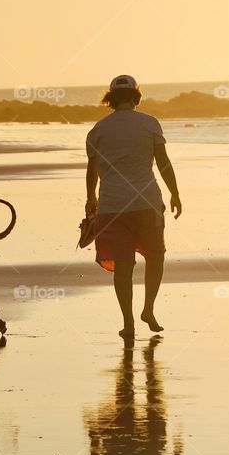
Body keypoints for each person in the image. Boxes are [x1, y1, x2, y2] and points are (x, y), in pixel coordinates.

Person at [85, 75, 182, 339]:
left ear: (110, 99)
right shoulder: (150, 123)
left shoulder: (98, 130)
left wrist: (90, 198)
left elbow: (91, 170)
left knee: (123, 265)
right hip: (146, 202)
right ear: (136, 97)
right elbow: (163, 162)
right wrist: (175, 193)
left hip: (112, 205)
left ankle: (128, 323)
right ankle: (148, 309)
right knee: (156, 256)